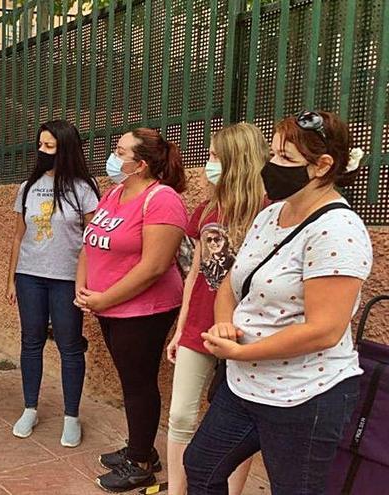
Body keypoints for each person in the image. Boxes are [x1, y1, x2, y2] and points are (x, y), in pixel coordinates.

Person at [185, 111, 372, 494]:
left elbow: (324, 330)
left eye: (286, 159)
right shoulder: (270, 214)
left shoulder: (337, 230)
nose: (272, 166)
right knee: (201, 467)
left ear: (323, 166)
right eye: (272, 154)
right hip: (245, 386)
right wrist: (224, 325)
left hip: (304, 395)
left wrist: (239, 351)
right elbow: (234, 283)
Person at [75, 128, 189, 492]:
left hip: (143, 309)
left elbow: (155, 266)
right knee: (130, 380)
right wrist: (84, 285)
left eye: (119, 151)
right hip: (107, 305)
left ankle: (140, 462)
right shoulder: (114, 193)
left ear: (140, 164)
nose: (112, 155)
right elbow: (91, 240)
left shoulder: (162, 199)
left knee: (138, 384)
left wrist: (105, 299)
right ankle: (140, 447)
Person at [164, 123, 268, 495]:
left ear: (236, 159)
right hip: (198, 326)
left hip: (247, 333)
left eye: (213, 156)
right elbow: (194, 273)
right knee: (180, 415)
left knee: (236, 426)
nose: (208, 164)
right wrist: (180, 328)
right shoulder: (206, 208)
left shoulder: (270, 211)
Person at [6, 120, 99, 447]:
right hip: (29, 276)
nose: (42, 151)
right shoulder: (27, 188)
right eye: (40, 145)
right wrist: (10, 279)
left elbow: (93, 242)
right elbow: (18, 237)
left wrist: (86, 283)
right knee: (30, 341)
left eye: (50, 146)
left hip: (67, 280)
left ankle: (71, 416)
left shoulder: (84, 189)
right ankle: (30, 407)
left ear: (66, 148)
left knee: (69, 346)